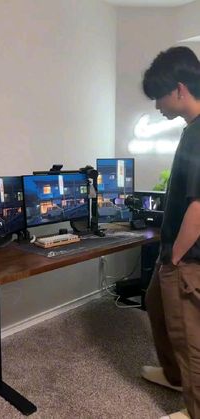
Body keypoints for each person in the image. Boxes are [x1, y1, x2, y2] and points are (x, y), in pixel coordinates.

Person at [141, 46, 200, 419]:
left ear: (179, 89)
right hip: (172, 254)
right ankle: (175, 377)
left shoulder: (198, 135)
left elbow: (199, 206)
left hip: (186, 258)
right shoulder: (191, 130)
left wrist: (175, 257)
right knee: (155, 304)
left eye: (159, 97)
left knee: (188, 339)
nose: (157, 106)